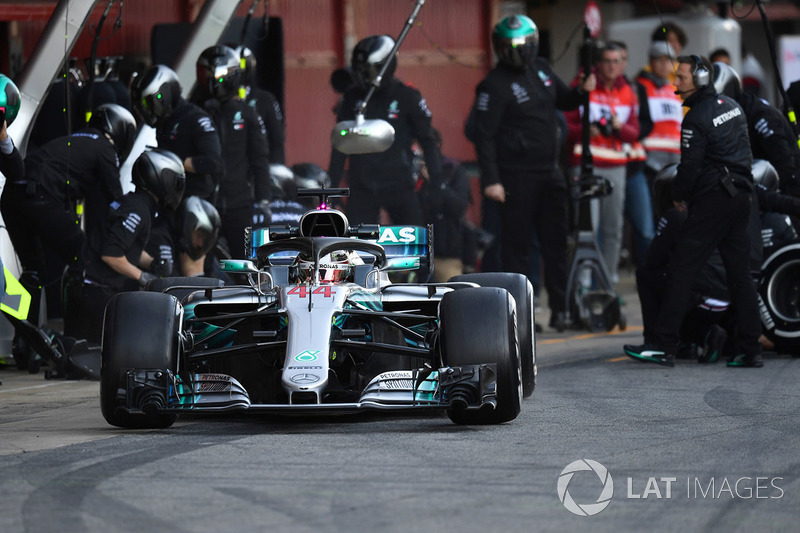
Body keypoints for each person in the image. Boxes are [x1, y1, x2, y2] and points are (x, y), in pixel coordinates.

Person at [624, 55, 763, 368]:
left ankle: (662, 345)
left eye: (682, 78)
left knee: (682, 271)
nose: (676, 83)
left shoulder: (696, 118)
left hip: (713, 200)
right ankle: (750, 348)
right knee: (739, 274)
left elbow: (688, 170)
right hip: (742, 196)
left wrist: (678, 196)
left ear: (700, 79)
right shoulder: (733, 106)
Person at [470, 15, 595, 330]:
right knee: (518, 249)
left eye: (522, 45)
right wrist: (491, 179)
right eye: (509, 46)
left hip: (551, 173)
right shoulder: (493, 85)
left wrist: (583, 90)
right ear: (498, 48)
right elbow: (483, 135)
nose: (516, 52)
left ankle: (562, 309)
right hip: (515, 177)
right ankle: (521, 316)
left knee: (556, 244)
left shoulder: (542, 69)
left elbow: (566, 100)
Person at [1, 103, 136, 338]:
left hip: (12, 196)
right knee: (82, 258)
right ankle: (79, 337)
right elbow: (115, 201)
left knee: (33, 271)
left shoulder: (75, 139)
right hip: (40, 196)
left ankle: (27, 341)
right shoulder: (105, 148)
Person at [69, 148, 185, 343]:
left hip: (88, 288)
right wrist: (144, 277)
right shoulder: (139, 210)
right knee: (100, 360)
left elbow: (125, 247)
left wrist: (152, 263)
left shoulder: (134, 203)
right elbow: (112, 255)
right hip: (95, 292)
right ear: (159, 179)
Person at [329, 34, 442, 226]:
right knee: (356, 244)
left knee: (413, 241)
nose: (363, 77)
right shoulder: (352, 97)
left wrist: (437, 184)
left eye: (368, 71)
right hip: (362, 185)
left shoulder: (406, 95)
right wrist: (332, 188)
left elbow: (428, 141)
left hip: (399, 184)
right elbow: (340, 146)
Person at [565, 41, 640, 286]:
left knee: (613, 229)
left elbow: (635, 132)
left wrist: (620, 128)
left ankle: (607, 283)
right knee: (587, 227)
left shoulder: (627, 89)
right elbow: (565, 125)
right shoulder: (583, 85)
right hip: (586, 163)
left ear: (624, 63)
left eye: (617, 61)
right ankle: (583, 286)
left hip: (616, 165)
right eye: (607, 61)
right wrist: (585, 131)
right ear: (598, 63)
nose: (612, 66)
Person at [193, 45, 271, 260]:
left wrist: (263, 200)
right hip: (203, 203)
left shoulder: (247, 114)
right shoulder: (195, 113)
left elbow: (260, 159)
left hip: (239, 204)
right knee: (202, 263)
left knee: (244, 263)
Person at [131, 65, 223, 202]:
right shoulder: (165, 122)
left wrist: (172, 163)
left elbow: (212, 161)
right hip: (170, 198)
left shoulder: (196, 119)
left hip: (195, 199)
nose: (146, 110)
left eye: (148, 103)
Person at [713, 62, 800, 199]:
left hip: (778, 194)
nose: (712, 109)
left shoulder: (761, 116)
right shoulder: (720, 121)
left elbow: (786, 167)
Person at [636, 41, 683, 187]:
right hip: (649, 159)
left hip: (675, 158)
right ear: (651, 61)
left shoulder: (676, 90)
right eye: (659, 59)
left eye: (669, 60)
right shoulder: (640, 86)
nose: (665, 64)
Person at [236, 45, 286, 165]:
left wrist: (275, 169)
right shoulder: (217, 101)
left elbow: (277, 139)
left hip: (258, 166)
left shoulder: (265, 99)